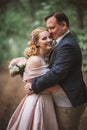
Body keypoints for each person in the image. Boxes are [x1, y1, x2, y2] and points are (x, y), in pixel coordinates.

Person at [28, 11, 87, 130]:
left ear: (63, 25)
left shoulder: (66, 45)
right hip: (65, 100)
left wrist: (33, 86)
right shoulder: (63, 42)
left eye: (52, 28)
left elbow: (57, 73)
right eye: (48, 28)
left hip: (67, 103)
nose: (49, 31)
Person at [7, 27, 59, 130]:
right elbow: (33, 87)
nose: (49, 40)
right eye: (44, 38)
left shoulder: (45, 58)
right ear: (36, 43)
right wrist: (59, 86)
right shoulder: (35, 60)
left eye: (49, 37)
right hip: (39, 101)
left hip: (47, 99)